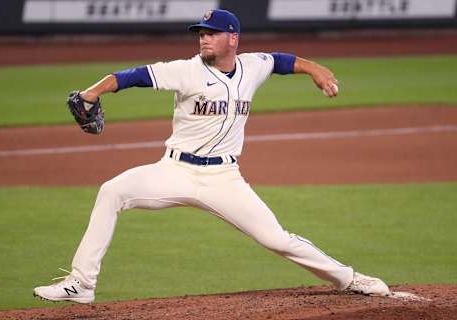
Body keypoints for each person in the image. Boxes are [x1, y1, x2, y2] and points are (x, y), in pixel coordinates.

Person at [33, 9, 390, 304]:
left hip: (224, 179)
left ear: (232, 38)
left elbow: (281, 61)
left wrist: (314, 68)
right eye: (200, 33)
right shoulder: (186, 70)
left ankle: (349, 279)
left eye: (211, 33)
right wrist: (93, 92)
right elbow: (134, 76)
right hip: (174, 171)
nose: (203, 38)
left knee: (276, 238)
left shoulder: (252, 66)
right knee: (112, 191)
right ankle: (82, 283)